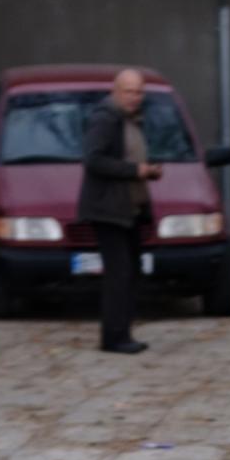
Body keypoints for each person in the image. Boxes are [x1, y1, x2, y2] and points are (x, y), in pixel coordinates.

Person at [77, 68, 163, 354]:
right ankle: (114, 337)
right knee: (119, 273)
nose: (134, 97)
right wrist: (135, 170)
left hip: (129, 208)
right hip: (108, 208)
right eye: (129, 91)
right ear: (116, 91)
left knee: (131, 272)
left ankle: (123, 332)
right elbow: (93, 160)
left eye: (139, 92)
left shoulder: (132, 120)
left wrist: (148, 171)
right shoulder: (105, 118)